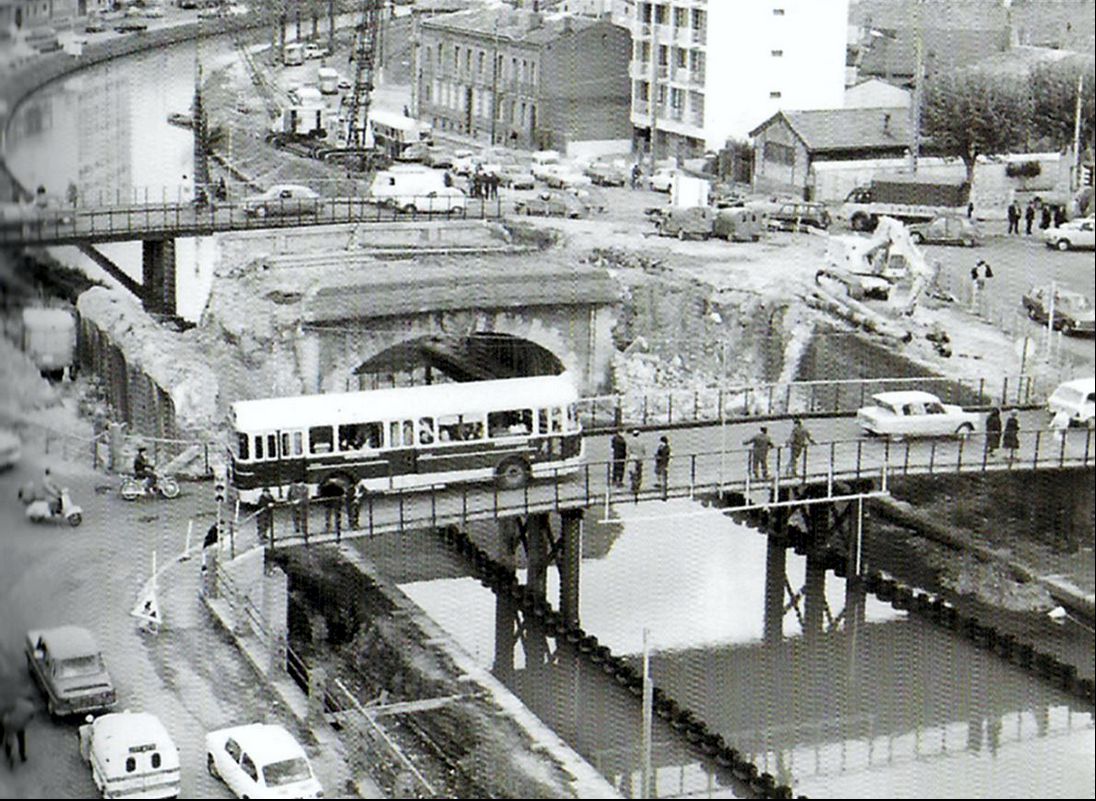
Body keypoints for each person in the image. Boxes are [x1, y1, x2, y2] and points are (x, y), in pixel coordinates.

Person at [2, 695, 35, 767]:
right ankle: (22, 756)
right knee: (21, 740)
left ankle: (8, 755)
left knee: (9, 739)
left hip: (10, 723)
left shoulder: (18, 701)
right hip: (20, 726)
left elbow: (9, 708)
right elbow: (30, 718)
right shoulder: (32, 708)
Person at [628, 429, 647, 497]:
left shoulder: (630, 442)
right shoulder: (641, 442)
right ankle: (638, 483)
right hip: (639, 458)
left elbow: (628, 450)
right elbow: (644, 450)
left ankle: (633, 484)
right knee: (639, 471)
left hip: (633, 457)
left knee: (632, 472)